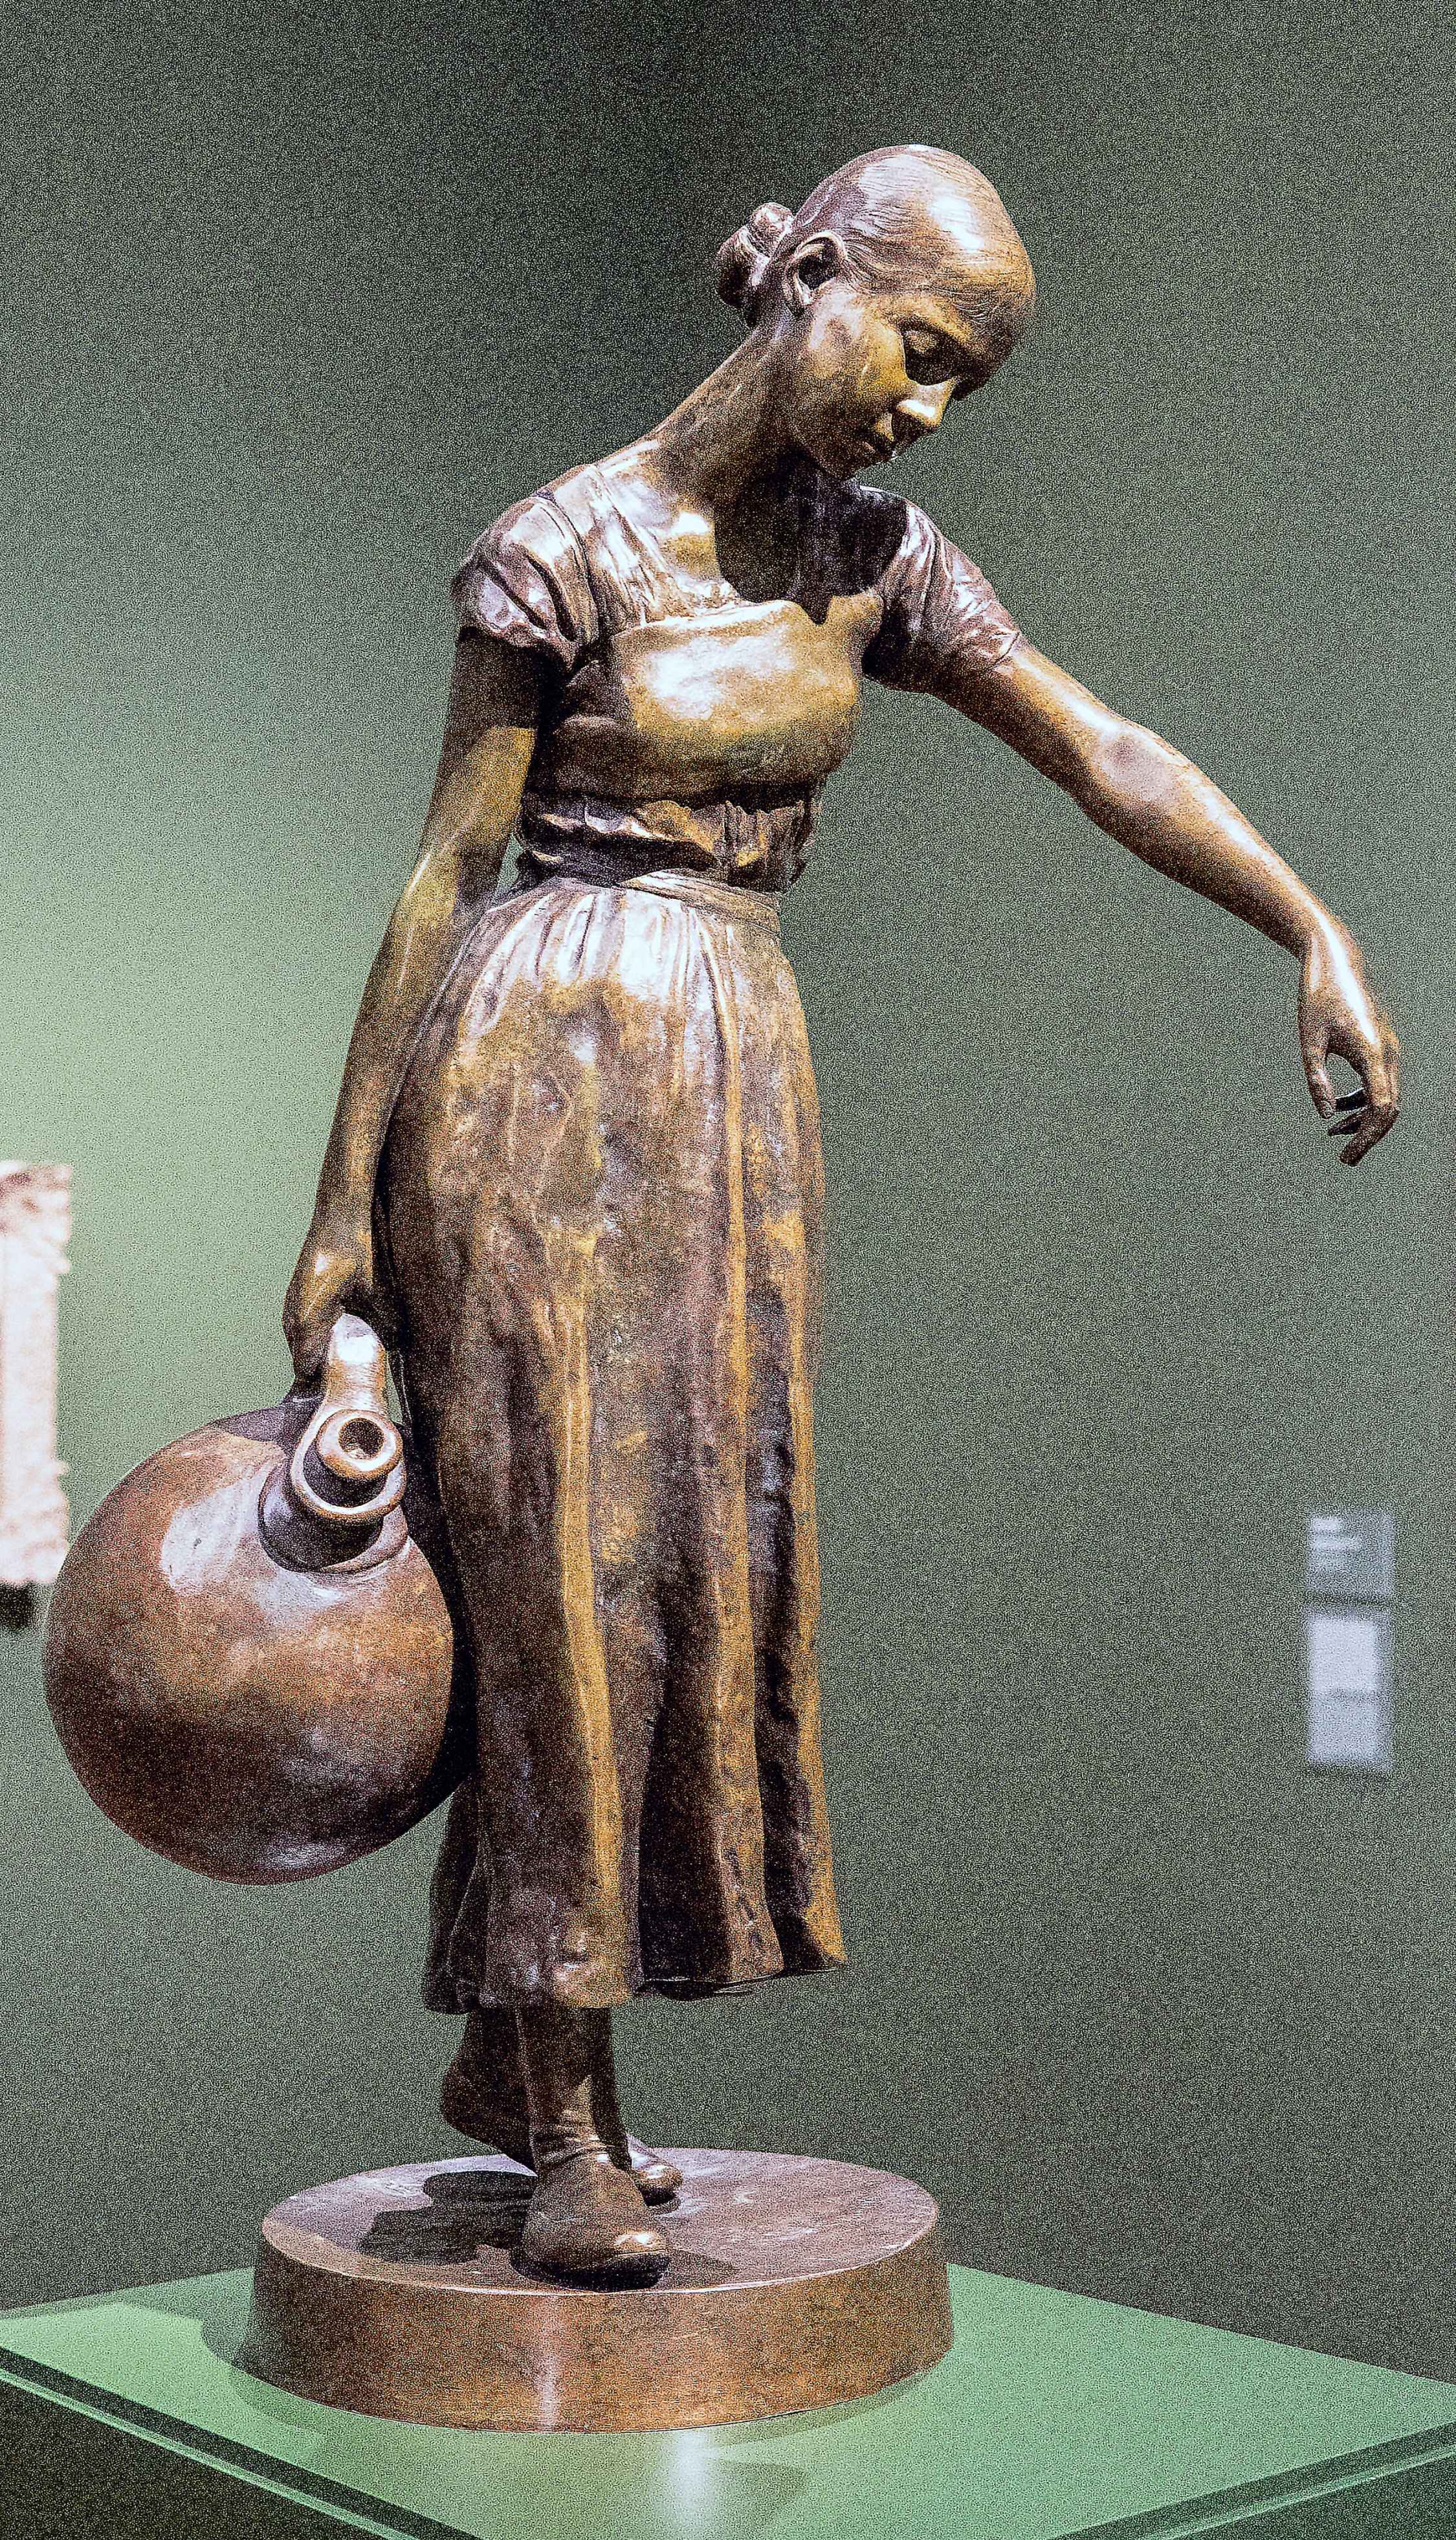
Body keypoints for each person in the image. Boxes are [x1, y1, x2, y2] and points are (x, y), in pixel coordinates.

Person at [283, 146, 1400, 2280]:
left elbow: (1101, 747)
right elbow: (444, 875)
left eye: (964, 380)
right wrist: (338, 1208)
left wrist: (1305, 923)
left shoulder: (871, 560)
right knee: (557, 1561)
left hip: (731, 1073)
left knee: (694, 1553)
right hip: (532, 1062)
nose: (926, 407)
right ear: (806, 277)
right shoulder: (558, 550)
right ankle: (566, 2107)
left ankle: (522, 2053)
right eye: (917, 348)